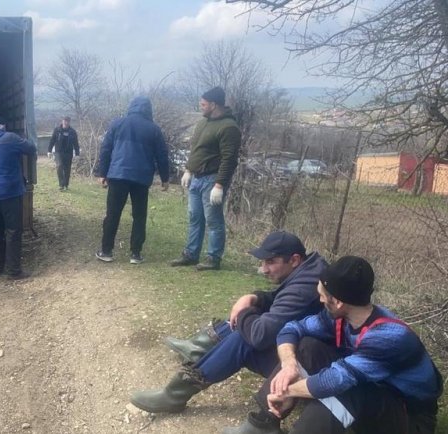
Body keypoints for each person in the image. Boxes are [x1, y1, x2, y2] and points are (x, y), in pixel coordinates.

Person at [225, 256, 443, 434]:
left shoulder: (389, 336)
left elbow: (334, 381)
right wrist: (289, 365)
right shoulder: (340, 316)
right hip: (377, 397)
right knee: (307, 346)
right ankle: (263, 425)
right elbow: (291, 329)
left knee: (347, 388)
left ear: (337, 301)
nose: (319, 300)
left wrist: (288, 391)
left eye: (321, 295)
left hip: (410, 419)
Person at [129, 231, 328, 414]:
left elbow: (261, 335)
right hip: (303, 352)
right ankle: (200, 350)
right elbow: (278, 300)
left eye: (270, 262)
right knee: (250, 320)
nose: (263, 269)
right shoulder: (309, 271)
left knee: (245, 336)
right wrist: (254, 298)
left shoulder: (304, 286)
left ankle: (176, 392)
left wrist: (244, 312)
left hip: (314, 370)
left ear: (294, 260)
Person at [170, 86, 240, 271]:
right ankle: (191, 254)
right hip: (196, 178)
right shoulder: (203, 123)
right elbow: (196, 149)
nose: (200, 107)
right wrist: (188, 169)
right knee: (194, 217)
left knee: (213, 220)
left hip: (212, 179)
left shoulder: (229, 127)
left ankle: (213, 258)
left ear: (213, 104)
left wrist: (219, 185)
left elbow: (229, 159)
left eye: (203, 104)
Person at [94, 96, 170, 265]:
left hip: (118, 175)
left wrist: (103, 173)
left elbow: (105, 149)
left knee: (113, 214)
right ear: (149, 110)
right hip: (141, 178)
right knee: (139, 215)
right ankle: (135, 254)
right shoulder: (154, 129)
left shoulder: (117, 124)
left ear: (131, 107)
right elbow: (162, 156)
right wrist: (165, 179)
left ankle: (106, 251)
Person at [0, 116, 36, 280]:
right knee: (13, 230)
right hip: (10, 191)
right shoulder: (10, 138)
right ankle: (14, 270)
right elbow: (31, 148)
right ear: (2, 126)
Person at [48, 115, 80, 191]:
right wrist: (49, 151)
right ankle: (61, 185)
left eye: (68, 121)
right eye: (65, 121)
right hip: (58, 152)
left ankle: (66, 184)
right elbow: (52, 140)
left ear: (69, 122)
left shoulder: (72, 132)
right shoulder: (57, 130)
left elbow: (76, 143)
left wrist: (77, 154)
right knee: (59, 166)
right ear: (62, 121)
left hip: (68, 153)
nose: (66, 122)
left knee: (67, 169)